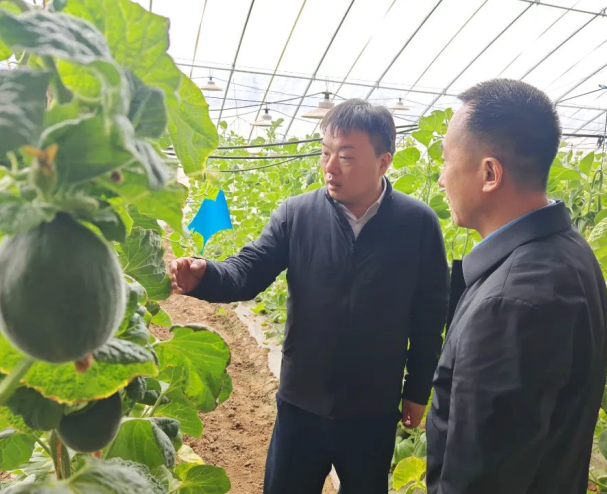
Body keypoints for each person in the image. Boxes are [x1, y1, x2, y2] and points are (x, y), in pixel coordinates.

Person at [170, 99, 449, 494]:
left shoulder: (417, 223)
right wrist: (207, 275)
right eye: (325, 153)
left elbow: (428, 315)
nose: (330, 167)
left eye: (346, 157)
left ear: (383, 162)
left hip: (372, 409)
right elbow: (249, 269)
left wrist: (417, 390)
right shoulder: (297, 214)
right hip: (302, 402)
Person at [426, 79, 607, 494]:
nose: (440, 180)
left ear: (490, 174)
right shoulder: (569, 249)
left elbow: (479, 481)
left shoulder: (510, 304)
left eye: (447, 162)